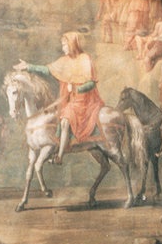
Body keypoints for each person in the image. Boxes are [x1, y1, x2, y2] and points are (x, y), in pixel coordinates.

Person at [15, 30, 103, 165]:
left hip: (85, 101)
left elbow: (91, 83)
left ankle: (59, 156)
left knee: (65, 120)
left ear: (73, 44)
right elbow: (47, 70)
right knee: (56, 116)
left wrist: (76, 88)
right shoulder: (64, 61)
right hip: (70, 100)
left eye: (65, 45)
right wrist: (28, 67)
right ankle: (60, 147)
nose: (63, 48)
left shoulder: (85, 59)